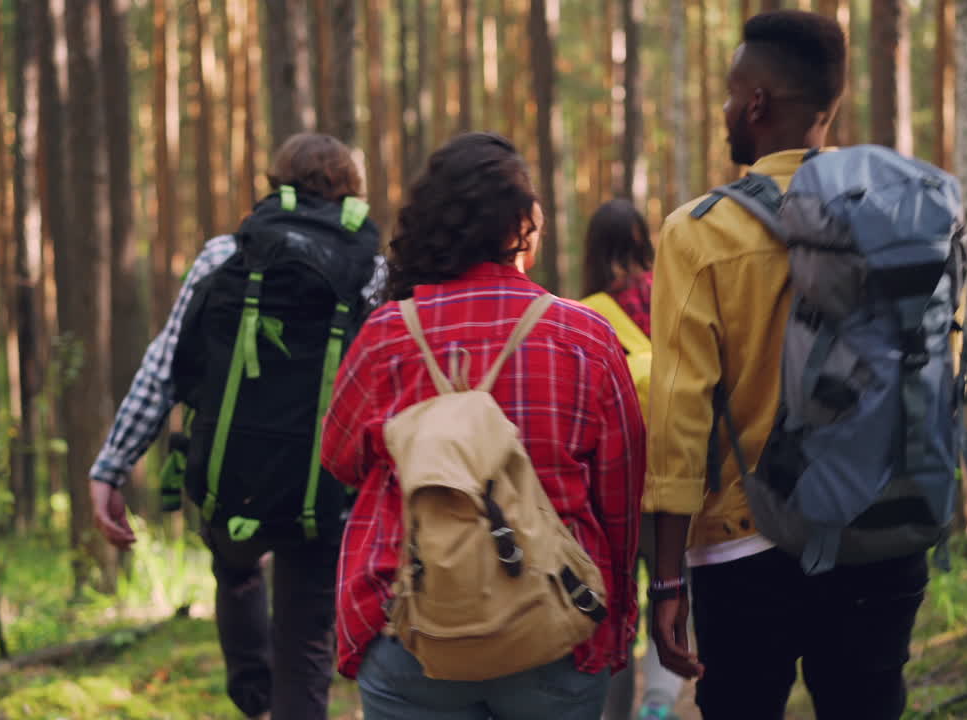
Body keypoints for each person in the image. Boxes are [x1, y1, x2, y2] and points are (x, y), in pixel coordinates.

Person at [645, 11, 929, 720]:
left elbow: (679, 419)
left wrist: (666, 579)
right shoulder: (898, 217)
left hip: (745, 547)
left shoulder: (699, 234)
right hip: (878, 533)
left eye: (728, 94)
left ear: (756, 103)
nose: (723, 109)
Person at [320, 132, 645, 720]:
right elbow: (620, 500)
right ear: (522, 225)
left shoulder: (387, 335)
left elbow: (340, 459)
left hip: (411, 624)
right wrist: (617, 619)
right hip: (555, 623)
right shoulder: (587, 338)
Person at [89, 133, 383, 720]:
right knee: (306, 644)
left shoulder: (225, 255)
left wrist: (111, 467)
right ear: (351, 191)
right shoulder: (372, 272)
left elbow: (164, 367)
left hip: (232, 480)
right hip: (324, 493)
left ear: (276, 184)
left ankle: (253, 697)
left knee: (237, 569)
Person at [578, 200, 684, 720]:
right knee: (672, 592)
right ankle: (659, 705)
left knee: (615, 606)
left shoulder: (585, 312)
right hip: (676, 479)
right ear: (644, 239)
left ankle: (614, 713)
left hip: (614, 488)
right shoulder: (671, 293)